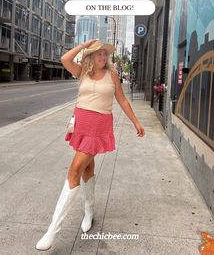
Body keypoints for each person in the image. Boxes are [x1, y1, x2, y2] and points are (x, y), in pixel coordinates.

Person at [35, 39, 145, 251]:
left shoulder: (112, 75)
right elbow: (64, 59)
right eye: (99, 54)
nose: (103, 58)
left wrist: (136, 122)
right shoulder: (82, 72)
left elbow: (122, 101)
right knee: (88, 168)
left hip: (98, 127)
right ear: (91, 57)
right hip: (81, 124)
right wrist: (84, 45)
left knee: (75, 169)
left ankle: (53, 229)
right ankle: (89, 210)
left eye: (105, 55)